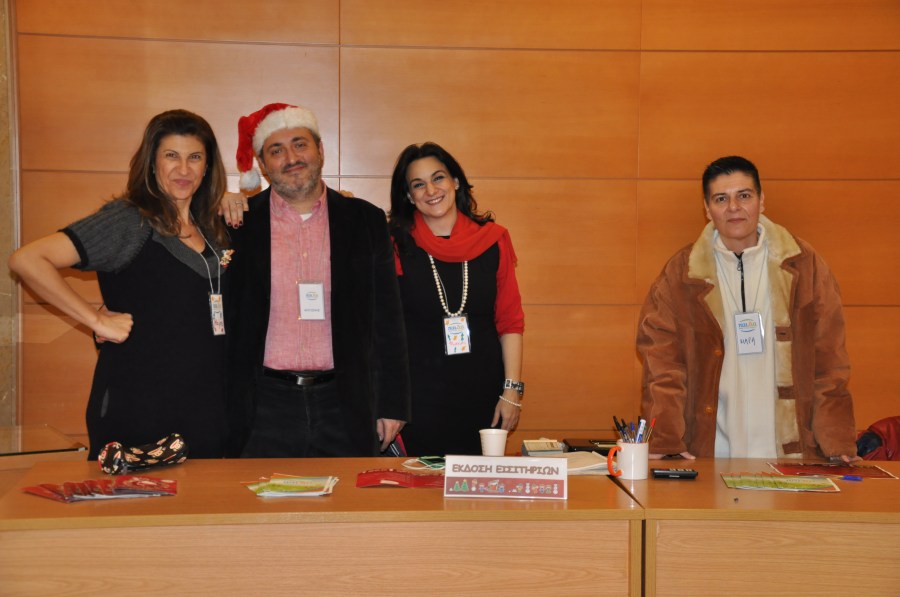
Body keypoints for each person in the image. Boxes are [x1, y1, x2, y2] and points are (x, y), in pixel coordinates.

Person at [9, 109, 231, 459]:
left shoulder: (214, 228)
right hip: (137, 410)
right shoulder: (129, 222)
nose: (183, 169)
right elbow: (27, 260)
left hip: (206, 411)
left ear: (208, 166)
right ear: (152, 163)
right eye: (171, 156)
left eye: (195, 157)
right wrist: (96, 320)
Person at [636, 155, 857, 461]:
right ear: (707, 209)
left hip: (790, 456)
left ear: (761, 201)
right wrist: (665, 441)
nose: (733, 207)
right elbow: (662, 368)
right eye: (721, 199)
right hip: (710, 454)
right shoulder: (681, 274)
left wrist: (837, 443)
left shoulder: (804, 266)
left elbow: (830, 365)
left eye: (744, 196)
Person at [225, 102, 410, 458]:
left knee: (348, 496)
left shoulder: (365, 221)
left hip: (345, 401)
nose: (291, 158)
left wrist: (393, 403)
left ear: (321, 150)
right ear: (262, 164)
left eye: (300, 144)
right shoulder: (238, 225)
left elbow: (388, 318)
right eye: (276, 151)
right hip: (262, 406)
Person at [388, 142, 525, 456]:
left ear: (456, 181)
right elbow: (384, 330)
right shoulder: (395, 244)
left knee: (479, 484)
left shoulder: (493, 240)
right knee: (422, 484)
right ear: (408, 195)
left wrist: (511, 392)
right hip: (419, 399)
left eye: (438, 178)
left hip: (485, 395)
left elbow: (510, 322)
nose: (431, 190)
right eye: (418, 184)